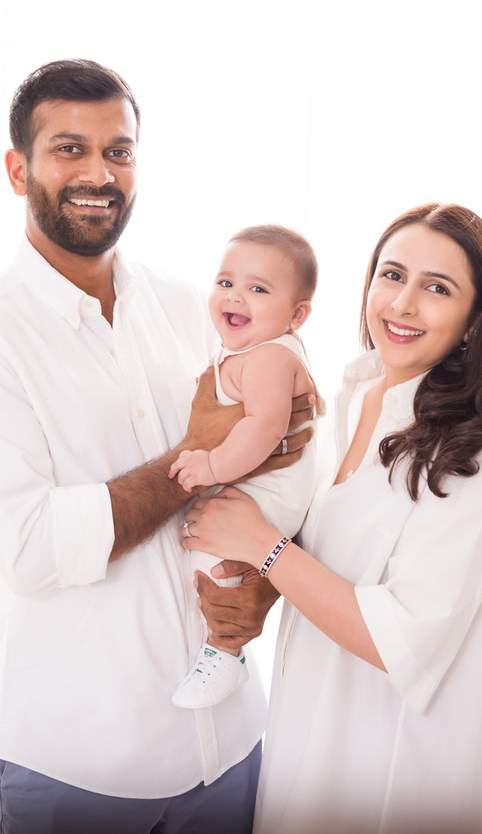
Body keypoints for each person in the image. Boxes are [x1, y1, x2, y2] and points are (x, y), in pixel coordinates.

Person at [0, 59, 316, 834]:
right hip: (76, 768)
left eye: (120, 152)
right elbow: (32, 549)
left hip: (231, 748)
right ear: (17, 169)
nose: (99, 172)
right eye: (69, 149)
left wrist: (268, 583)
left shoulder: (195, 308)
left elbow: (281, 459)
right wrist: (191, 462)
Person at [182, 203, 482, 832]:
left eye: (437, 288)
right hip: (315, 737)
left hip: (410, 771)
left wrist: (263, 545)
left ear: (474, 319)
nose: (402, 304)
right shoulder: (356, 396)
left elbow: (399, 637)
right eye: (391, 274)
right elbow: (331, 563)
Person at [167, 225, 320, 709]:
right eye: (226, 281)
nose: (236, 297)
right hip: (259, 490)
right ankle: (215, 649)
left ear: (296, 315)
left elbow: (267, 425)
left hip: (269, 498)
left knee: (217, 557)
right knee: (205, 549)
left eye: (258, 289)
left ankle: (225, 652)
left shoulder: (271, 356)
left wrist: (212, 464)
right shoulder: (248, 352)